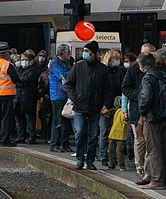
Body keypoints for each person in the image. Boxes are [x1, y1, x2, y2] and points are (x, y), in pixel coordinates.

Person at [64, 40, 110, 170]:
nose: (85, 53)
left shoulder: (102, 69)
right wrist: (75, 98)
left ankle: (90, 160)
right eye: (84, 51)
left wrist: (106, 104)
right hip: (80, 106)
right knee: (79, 132)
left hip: (95, 107)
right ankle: (80, 158)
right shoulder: (78, 67)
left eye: (87, 51)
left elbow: (107, 89)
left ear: (94, 54)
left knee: (92, 135)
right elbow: (68, 84)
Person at [136, 50, 166, 189]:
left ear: (142, 65)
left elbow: (146, 98)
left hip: (153, 117)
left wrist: (142, 113)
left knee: (154, 150)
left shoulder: (149, 78)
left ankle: (157, 180)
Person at [124, 44, 155, 182]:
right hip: (137, 109)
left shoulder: (156, 70)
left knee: (150, 141)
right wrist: (138, 96)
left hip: (151, 110)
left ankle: (149, 167)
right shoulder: (133, 70)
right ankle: (140, 165)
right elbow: (125, 88)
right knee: (139, 139)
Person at [0, 49, 21, 147]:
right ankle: (5, 140)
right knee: (6, 118)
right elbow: (16, 79)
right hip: (7, 94)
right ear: (6, 55)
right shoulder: (8, 65)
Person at [48, 44, 74, 152]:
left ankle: (65, 143)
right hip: (57, 94)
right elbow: (62, 75)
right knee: (57, 120)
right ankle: (54, 144)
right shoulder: (55, 63)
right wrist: (74, 72)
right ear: (62, 53)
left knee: (66, 120)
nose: (70, 54)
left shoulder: (67, 62)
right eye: (68, 52)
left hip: (66, 93)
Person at [15, 49, 42, 144]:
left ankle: (32, 137)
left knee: (30, 119)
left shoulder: (33, 71)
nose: (23, 62)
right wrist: (19, 81)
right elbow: (16, 80)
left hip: (29, 98)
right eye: (22, 59)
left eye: (25, 59)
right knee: (19, 119)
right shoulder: (18, 70)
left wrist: (19, 81)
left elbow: (27, 80)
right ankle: (21, 136)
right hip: (18, 98)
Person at [107, 103, 129, 171]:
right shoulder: (118, 112)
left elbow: (126, 121)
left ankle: (115, 164)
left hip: (115, 133)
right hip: (119, 134)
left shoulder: (119, 112)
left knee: (114, 150)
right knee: (117, 150)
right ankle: (118, 164)